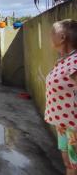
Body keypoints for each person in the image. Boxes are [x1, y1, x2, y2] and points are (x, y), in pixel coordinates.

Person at [45, 19, 77, 175]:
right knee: (69, 164)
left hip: (74, 128)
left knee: (74, 164)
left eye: (53, 33)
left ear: (63, 37)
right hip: (63, 125)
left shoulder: (75, 62)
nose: (50, 36)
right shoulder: (64, 60)